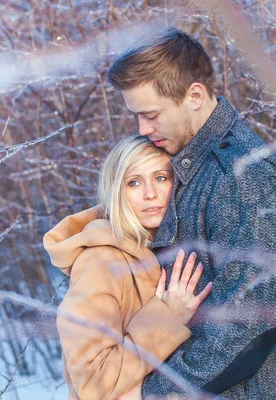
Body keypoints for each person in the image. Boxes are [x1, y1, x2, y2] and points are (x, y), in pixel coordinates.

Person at [108, 28, 276, 399]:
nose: (142, 129)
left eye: (151, 114)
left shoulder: (243, 177)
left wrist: (155, 393)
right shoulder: (186, 167)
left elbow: (252, 326)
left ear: (195, 96)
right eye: (136, 116)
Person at [43, 134, 212, 400]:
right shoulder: (100, 262)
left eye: (161, 177)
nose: (150, 194)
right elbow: (93, 381)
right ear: (116, 191)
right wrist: (167, 318)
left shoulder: (163, 247)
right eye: (133, 182)